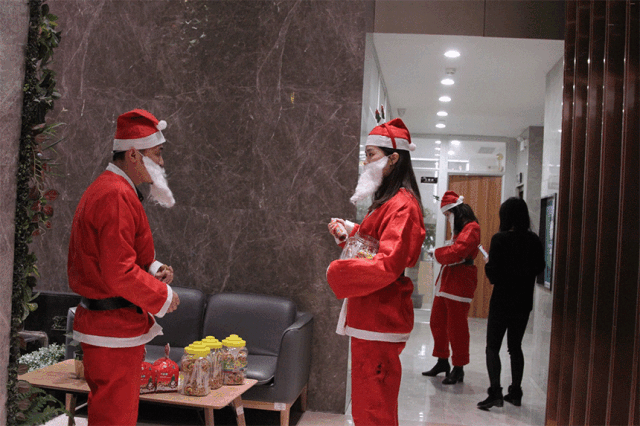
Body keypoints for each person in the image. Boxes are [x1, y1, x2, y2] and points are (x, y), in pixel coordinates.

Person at [67, 109, 180, 425]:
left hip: (110, 327)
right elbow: (118, 271)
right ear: (133, 154)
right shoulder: (115, 194)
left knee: (113, 413)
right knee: (115, 417)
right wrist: (163, 296)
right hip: (112, 327)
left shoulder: (113, 189)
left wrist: (153, 269)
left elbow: (111, 257)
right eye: (157, 153)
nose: (161, 162)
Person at [326, 118, 426, 426]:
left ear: (393, 158)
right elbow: (378, 243)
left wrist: (339, 271)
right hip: (372, 314)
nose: (365, 162)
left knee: (374, 408)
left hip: (380, 314)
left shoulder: (403, 205)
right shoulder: (390, 202)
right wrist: (351, 233)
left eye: (370, 155)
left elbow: (388, 263)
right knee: (368, 404)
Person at [477, 197, 545, 410]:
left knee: (492, 347)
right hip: (523, 302)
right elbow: (539, 267)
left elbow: (493, 275)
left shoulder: (500, 239)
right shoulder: (534, 240)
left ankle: (495, 392)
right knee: (515, 347)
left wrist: (488, 264)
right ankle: (515, 392)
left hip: (502, 301)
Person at [423, 190, 480, 384]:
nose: (447, 219)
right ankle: (442, 361)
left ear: (455, 212)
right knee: (437, 321)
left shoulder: (472, 228)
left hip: (460, 281)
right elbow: (454, 251)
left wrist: (437, 253)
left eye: (448, 215)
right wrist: (442, 253)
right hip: (448, 279)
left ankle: (458, 367)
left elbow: (458, 251)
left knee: (457, 327)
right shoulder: (461, 230)